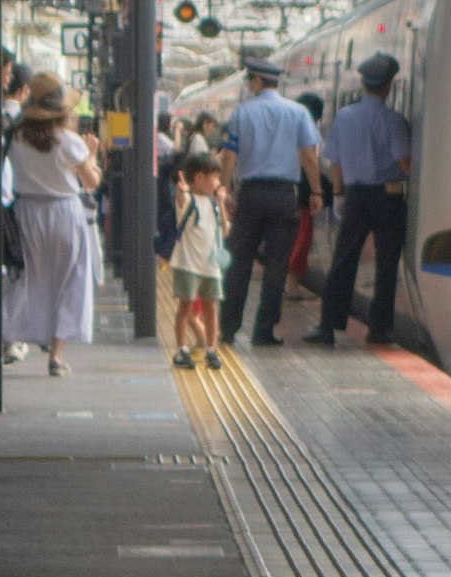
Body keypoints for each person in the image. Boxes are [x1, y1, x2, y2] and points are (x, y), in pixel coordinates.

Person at [306, 53, 417, 348]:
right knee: (386, 264)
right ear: (389, 87)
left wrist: (340, 194)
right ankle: (379, 329)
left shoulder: (343, 117)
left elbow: (335, 164)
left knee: (343, 262)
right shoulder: (394, 121)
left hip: (355, 198)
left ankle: (327, 327)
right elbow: (405, 162)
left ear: (363, 84)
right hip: (388, 198)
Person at [218, 51, 321, 349]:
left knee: (239, 263)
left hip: (251, 193)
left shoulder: (242, 113)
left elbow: (229, 155)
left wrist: (224, 189)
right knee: (277, 265)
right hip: (284, 196)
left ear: (259, 80)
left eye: (251, 80)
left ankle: (228, 328)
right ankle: (264, 331)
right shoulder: (299, 113)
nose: (249, 84)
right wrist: (315, 192)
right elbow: (309, 155)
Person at [0, 82, 104, 374]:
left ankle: (6, 337)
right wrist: (92, 154)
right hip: (65, 213)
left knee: (25, 277)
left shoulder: (16, 137)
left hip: (27, 213)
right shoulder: (69, 141)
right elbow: (92, 181)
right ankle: (56, 356)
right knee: (69, 281)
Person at [167, 151, 230, 369]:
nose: (218, 182)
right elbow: (181, 203)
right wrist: (181, 193)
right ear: (199, 178)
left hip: (210, 266)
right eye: (214, 177)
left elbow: (226, 229)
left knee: (211, 307)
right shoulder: (189, 201)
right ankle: (181, 348)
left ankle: (211, 350)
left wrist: (221, 204)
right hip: (188, 264)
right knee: (186, 306)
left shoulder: (213, 203)